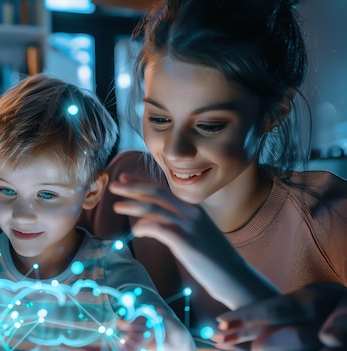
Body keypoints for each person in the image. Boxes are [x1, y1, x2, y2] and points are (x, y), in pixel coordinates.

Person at [78, 0, 347, 349]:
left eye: (208, 125)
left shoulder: (330, 218)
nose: (174, 152)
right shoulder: (124, 186)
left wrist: (238, 280)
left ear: (274, 113)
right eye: (159, 119)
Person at [0, 74, 195, 351]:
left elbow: (177, 340)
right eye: (7, 191)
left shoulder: (109, 269)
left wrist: (157, 335)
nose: (22, 215)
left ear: (92, 192)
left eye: (46, 194)